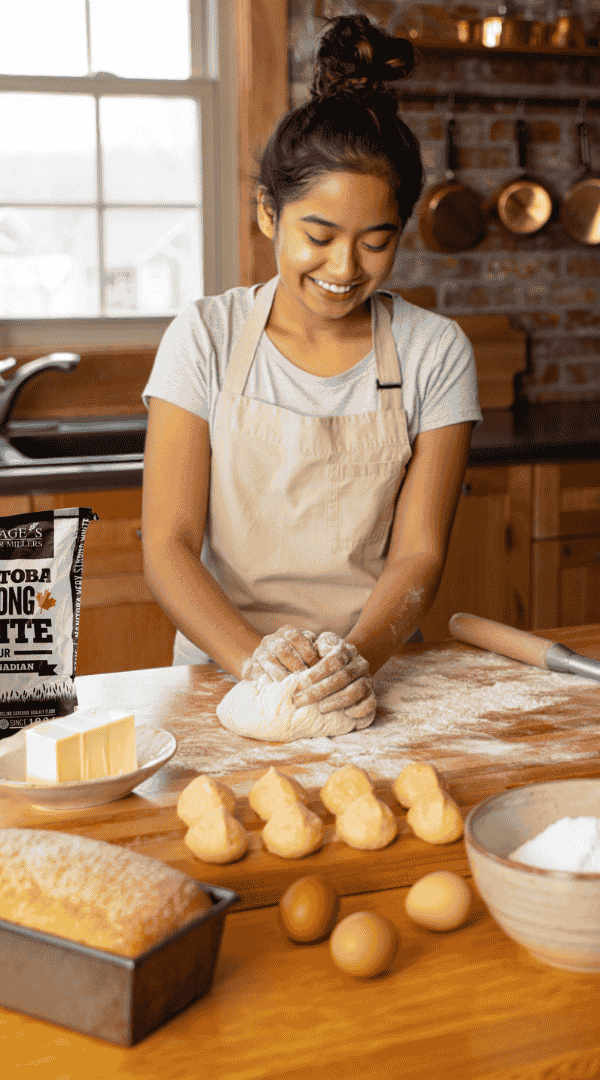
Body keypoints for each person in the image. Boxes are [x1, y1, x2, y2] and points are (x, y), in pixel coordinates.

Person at [141, 13, 481, 720]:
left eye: (375, 242)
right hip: (221, 676)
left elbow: (418, 553)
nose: (343, 267)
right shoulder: (205, 337)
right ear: (269, 213)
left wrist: (353, 660)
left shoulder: (434, 351)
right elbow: (169, 545)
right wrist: (256, 666)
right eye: (318, 236)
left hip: (373, 676)